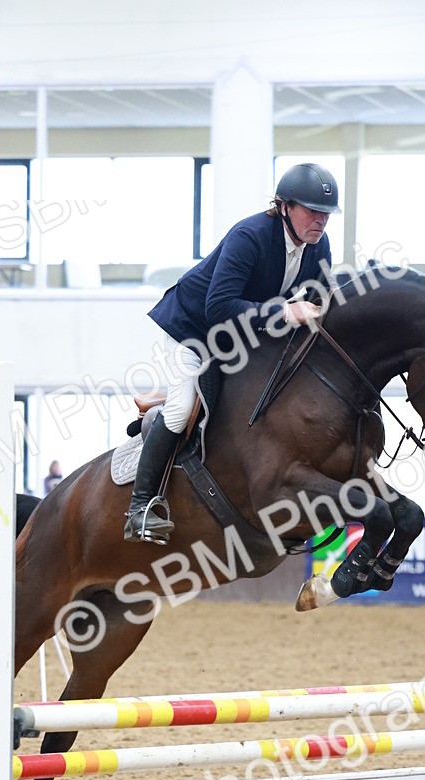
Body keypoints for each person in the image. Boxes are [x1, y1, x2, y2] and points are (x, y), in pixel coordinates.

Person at [123, 162, 340, 544]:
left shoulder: (317, 245)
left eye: (325, 213)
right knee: (179, 408)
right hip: (194, 329)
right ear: (285, 206)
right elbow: (218, 307)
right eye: (312, 210)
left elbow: (324, 301)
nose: (320, 220)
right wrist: (284, 312)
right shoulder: (250, 235)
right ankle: (140, 509)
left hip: (242, 336)